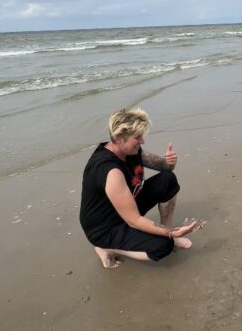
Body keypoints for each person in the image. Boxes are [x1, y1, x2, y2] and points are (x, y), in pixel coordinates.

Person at [79, 108, 204, 268]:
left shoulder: (131, 151)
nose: (142, 141)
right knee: (163, 246)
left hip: (124, 209)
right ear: (119, 138)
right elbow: (134, 221)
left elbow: (164, 167)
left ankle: (169, 231)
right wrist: (171, 234)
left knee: (167, 179)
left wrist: (169, 163)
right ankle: (107, 248)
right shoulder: (110, 171)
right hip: (105, 228)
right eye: (137, 137)